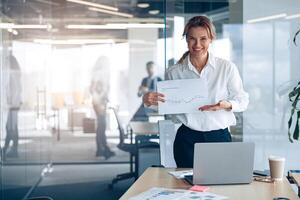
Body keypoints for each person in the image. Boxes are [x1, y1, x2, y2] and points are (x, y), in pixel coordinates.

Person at [143, 16, 249, 168]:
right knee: (186, 187)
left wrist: (226, 105)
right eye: (192, 39)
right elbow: (169, 108)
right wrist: (148, 101)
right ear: (186, 40)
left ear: (211, 39)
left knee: (220, 185)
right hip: (187, 139)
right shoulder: (174, 72)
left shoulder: (226, 68)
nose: (197, 44)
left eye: (203, 39)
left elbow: (243, 100)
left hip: (219, 137)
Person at [90, 56, 115, 159]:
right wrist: (99, 101)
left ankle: (102, 149)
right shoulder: (99, 73)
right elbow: (94, 88)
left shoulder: (101, 73)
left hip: (101, 101)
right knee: (102, 125)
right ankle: (102, 149)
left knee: (101, 125)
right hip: (98, 102)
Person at [3, 54, 22, 158]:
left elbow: (15, 91)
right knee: (12, 127)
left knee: (10, 127)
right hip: (14, 105)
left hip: (13, 105)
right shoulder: (15, 74)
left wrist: (10, 103)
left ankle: (6, 149)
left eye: (6, 62)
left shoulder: (13, 75)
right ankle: (13, 149)